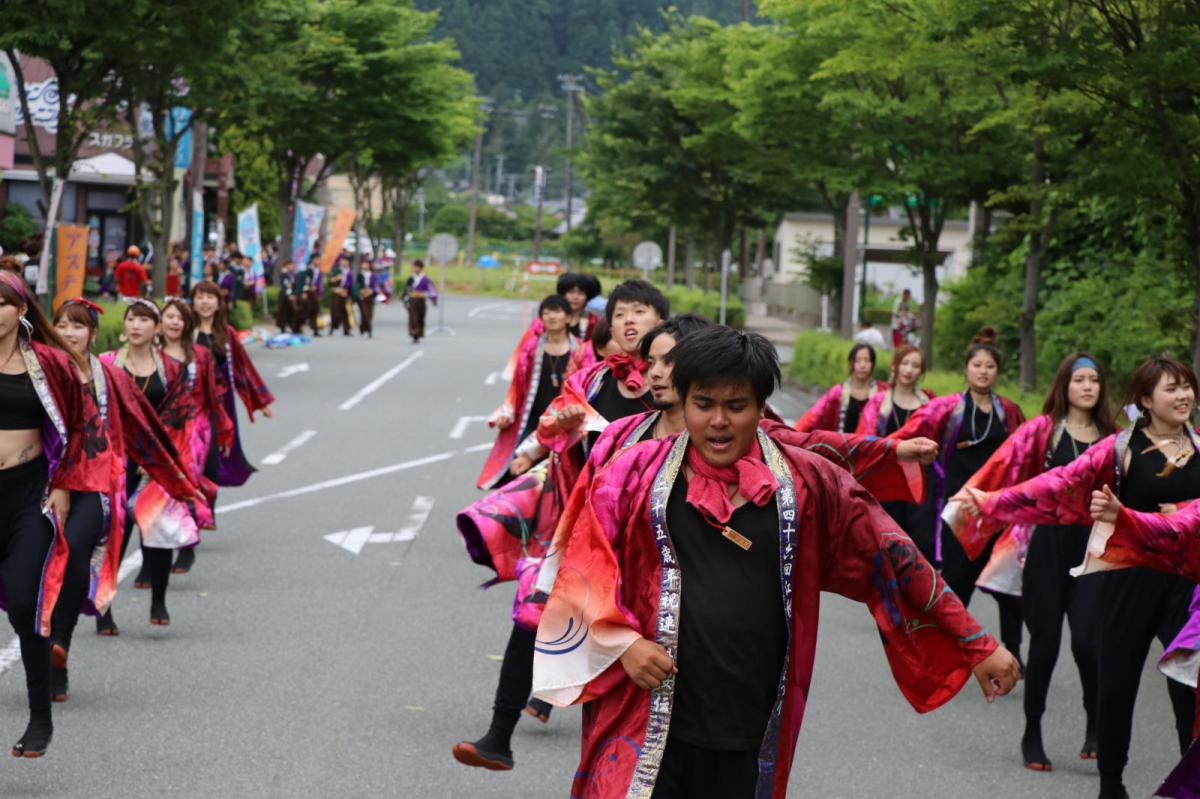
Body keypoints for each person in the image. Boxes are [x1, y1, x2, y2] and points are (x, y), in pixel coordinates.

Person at [531, 326, 1020, 798]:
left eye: (736, 406)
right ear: (683, 400)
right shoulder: (633, 474)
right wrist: (624, 643)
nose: (717, 421)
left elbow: (895, 556)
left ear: (762, 408)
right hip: (643, 720)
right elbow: (581, 570)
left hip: (751, 726)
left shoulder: (809, 483)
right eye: (703, 404)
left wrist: (977, 644)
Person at [967, 355, 1199, 799]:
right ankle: (1111, 784)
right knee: (1116, 682)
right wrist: (994, 501)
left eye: (1186, 385)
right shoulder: (1120, 448)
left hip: (1189, 589)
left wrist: (1185, 514)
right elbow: (1056, 484)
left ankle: (1191, 784)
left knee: (1189, 689)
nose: (1183, 395)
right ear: (1145, 400)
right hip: (1128, 579)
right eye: (1171, 388)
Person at [948, 353, 1116, 771]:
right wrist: (969, 501)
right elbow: (1002, 468)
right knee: (1044, 645)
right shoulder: (1043, 431)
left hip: (1094, 547)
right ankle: (1032, 733)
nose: (1088, 387)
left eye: (1094, 380)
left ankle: (1096, 725)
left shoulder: (1114, 437)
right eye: (1080, 379)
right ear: (1065, 385)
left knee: (1088, 643)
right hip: (1046, 545)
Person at [890, 327, 1026, 660]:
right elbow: (908, 436)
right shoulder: (947, 408)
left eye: (990, 366)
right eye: (977, 365)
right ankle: (951, 646)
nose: (983, 371)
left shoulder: (1009, 411)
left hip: (997, 511)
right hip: (958, 509)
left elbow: (1027, 454)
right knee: (956, 582)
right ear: (967, 368)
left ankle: (1013, 650)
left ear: (997, 372)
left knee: (1007, 583)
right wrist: (879, 452)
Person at [0, 271, 93, 756]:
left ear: (20, 310)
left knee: (23, 601)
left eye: (0, 303)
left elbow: (80, 427)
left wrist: (65, 486)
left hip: (30, 494)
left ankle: (40, 716)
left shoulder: (50, 364)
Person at [190, 281, 274, 571]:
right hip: (187, 406)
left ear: (218, 303)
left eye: (210, 297)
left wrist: (259, 402)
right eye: (200, 297)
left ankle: (205, 508)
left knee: (212, 460)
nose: (204, 302)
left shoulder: (225, 335)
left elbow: (242, 368)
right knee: (188, 461)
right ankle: (190, 517)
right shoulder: (183, 331)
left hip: (218, 407)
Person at [159, 297, 234, 572]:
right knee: (158, 491)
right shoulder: (151, 355)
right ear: (160, 323)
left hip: (198, 429)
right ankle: (153, 557)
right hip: (163, 430)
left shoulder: (200, 355)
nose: (174, 322)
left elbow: (215, 396)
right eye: (169, 317)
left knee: (191, 485)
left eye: (180, 317)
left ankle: (187, 546)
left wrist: (224, 430)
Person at [476, 295, 579, 490]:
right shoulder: (530, 349)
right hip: (532, 420)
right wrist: (506, 413)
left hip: (564, 422)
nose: (551, 316)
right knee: (520, 473)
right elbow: (517, 387)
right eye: (546, 312)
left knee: (559, 478)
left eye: (556, 311)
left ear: (568, 317)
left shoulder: (581, 351)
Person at [856, 343, 938, 559]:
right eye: (905, 363)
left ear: (922, 371)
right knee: (885, 540)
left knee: (919, 541)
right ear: (895, 366)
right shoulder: (877, 403)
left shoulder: (930, 404)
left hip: (919, 481)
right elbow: (864, 440)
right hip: (886, 477)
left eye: (916, 366)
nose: (909, 370)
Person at [794, 342, 887, 433]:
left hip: (871, 447)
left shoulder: (882, 392)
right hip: (841, 446)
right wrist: (793, 433)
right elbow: (813, 415)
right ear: (851, 363)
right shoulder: (838, 392)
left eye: (867, 360)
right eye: (858, 360)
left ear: (873, 364)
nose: (862, 365)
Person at [403, 260, 437, 343]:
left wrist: (433, 298)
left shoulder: (425, 279)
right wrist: (405, 300)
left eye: (416, 267)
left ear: (420, 268)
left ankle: (419, 334)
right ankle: (414, 334)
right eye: (414, 267)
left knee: (420, 318)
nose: (415, 269)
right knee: (413, 317)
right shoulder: (411, 279)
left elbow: (431, 290)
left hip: (421, 300)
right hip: (412, 300)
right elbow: (406, 290)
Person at [328, 257, 353, 336]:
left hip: (344, 294)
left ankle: (346, 329)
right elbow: (330, 282)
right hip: (336, 293)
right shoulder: (336, 270)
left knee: (344, 312)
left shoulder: (349, 272)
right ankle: (333, 327)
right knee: (335, 311)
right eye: (343, 261)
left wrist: (347, 292)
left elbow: (350, 284)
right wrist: (336, 278)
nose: (344, 262)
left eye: (346, 261)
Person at [355, 262, 377, 338]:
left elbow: (375, 286)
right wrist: (360, 292)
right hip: (362, 297)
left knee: (369, 314)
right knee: (364, 314)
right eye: (363, 264)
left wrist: (371, 291)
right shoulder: (360, 275)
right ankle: (369, 330)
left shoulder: (373, 275)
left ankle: (364, 328)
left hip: (370, 297)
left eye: (366, 264)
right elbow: (357, 286)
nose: (365, 266)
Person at [276, 260, 297, 333]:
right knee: (284, 311)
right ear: (287, 265)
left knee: (291, 311)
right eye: (292, 265)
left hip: (290, 294)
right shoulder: (284, 274)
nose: (293, 267)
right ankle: (282, 327)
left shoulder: (290, 274)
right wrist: (289, 295)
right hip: (285, 295)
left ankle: (291, 326)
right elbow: (286, 286)